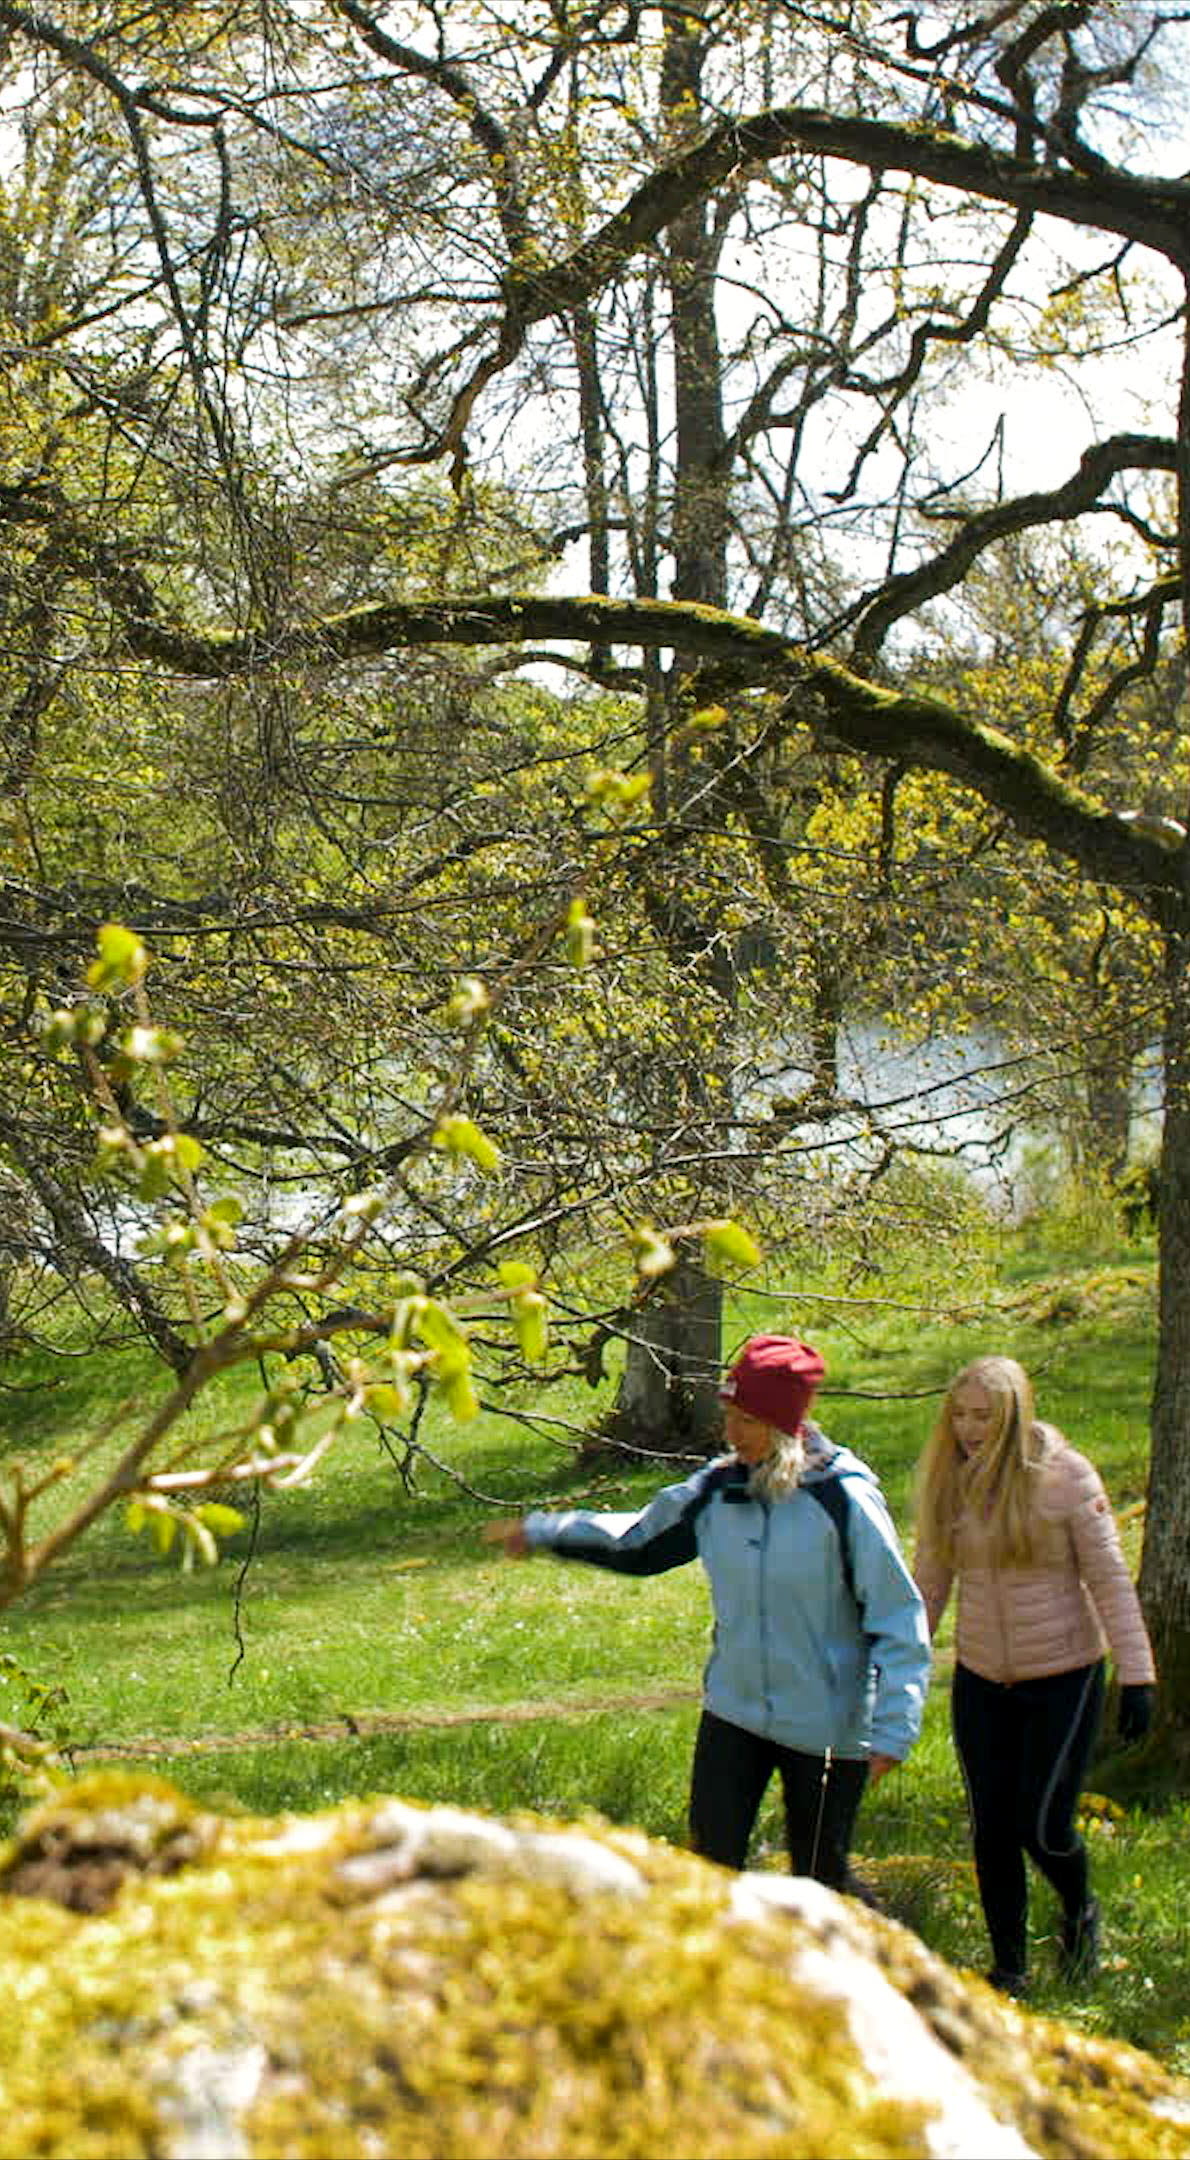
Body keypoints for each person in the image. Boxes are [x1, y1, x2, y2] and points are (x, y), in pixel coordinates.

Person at [485, 1332, 931, 1893]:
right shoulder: (718, 1490)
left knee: (821, 1881)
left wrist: (893, 1727)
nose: (732, 1433)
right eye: (729, 1416)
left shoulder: (844, 1502)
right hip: (735, 1712)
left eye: (748, 1420)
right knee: (708, 1876)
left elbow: (897, 1616)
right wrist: (545, 1531)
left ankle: (890, 1974)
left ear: (784, 1424)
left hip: (827, 1724)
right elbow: (638, 1541)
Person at [913, 1355, 1157, 1998]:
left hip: (1064, 1675)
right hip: (982, 1677)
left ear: (1014, 1416)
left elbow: (1108, 1580)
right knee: (991, 1826)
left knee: (1042, 1825)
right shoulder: (949, 1484)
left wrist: (1138, 1677)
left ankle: (1080, 1913)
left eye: (984, 1417)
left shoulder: (1066, 1478)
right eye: (959, 1415)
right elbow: (930, 1588)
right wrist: (898, 1668)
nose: (969, 1429)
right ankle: (1010, 1968)